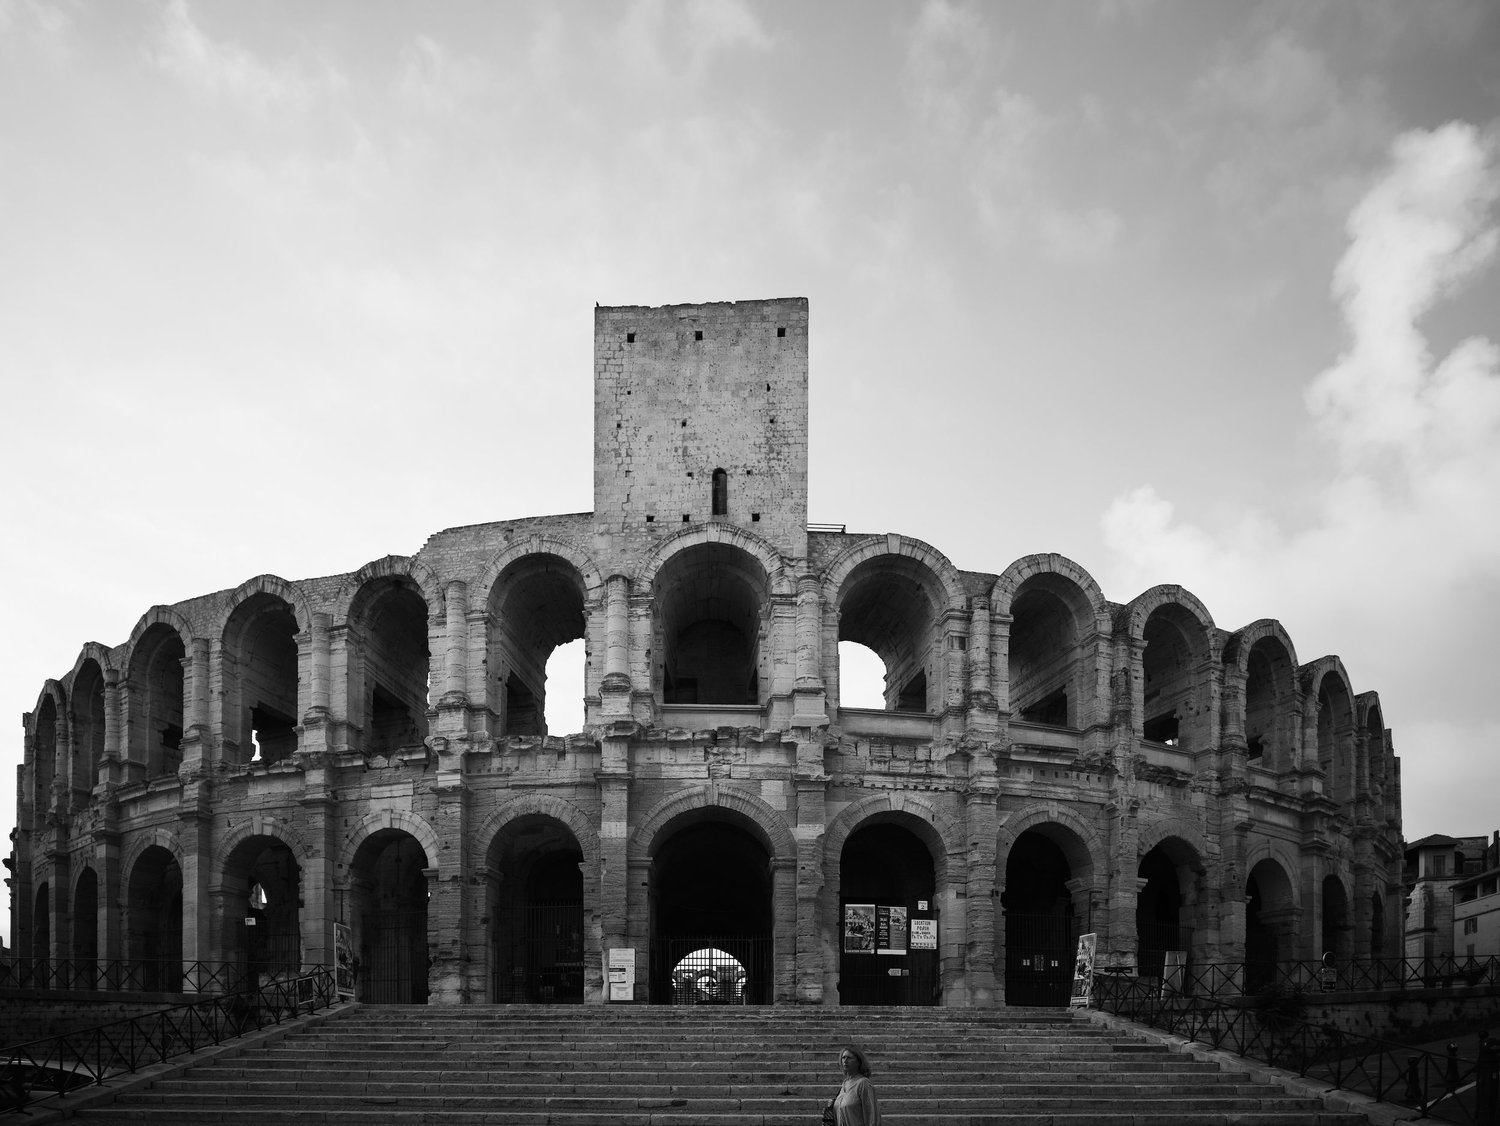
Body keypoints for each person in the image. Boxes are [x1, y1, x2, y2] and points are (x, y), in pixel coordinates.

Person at [827, 1044, 879, 1126]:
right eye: (843, 1057)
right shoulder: (844, 1084)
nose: (845, 1061)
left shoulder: (863, 1084)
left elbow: (872, 1116)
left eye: (849, 1058)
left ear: (859, 1062)